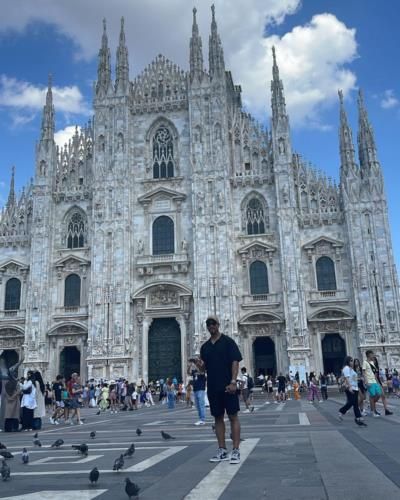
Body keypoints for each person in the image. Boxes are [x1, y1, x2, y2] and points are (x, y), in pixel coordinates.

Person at [197, 315, 242, 464]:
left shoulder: (228, 342)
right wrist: (198, 364)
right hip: (213, 387)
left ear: (218, 325)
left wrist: (233, 381)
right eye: (208, 324)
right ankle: (222, 450)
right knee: (218, 418)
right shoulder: (205, 347)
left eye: (213, 323)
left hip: (228, 385)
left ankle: (235, 450)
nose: (211, 326)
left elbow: (235, 362)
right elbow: (203, 369)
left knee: (233, 416)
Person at [338, 356, 367, 426]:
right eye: (351, 361)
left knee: (355, 404)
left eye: (353, 361)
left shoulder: (351, 369)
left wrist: (360, 379)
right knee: (352, 402)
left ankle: (358, 418)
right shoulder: (346, 368)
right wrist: (350, 387)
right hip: (350, 388)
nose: (352, 362)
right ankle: (342, 411)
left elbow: (353, 378)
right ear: (347, 361)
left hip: (355, 387)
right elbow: (347, 378)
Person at [188, 356, 206, 425]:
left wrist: (196, 362)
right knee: (197, 405)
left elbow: (201, 370)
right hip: (195, 389)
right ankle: (200, 418)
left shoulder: (202, 371)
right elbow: (188, 373)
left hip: (201, 389)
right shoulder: (194, 371)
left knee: (201, 404)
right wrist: (189, 366)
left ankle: (202, 419)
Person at [362, 350, 382, 417]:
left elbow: (374, 373)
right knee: (372, 396)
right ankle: (373, 412)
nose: (373, 355)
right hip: (369, 382)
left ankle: (370, 405)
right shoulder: (365, 362)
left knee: (378, 394)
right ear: (369, 355)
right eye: (372, 354)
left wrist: (377, 382)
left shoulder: (372, 363)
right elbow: (364, 373)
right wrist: (366, 382)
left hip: (374, 381)